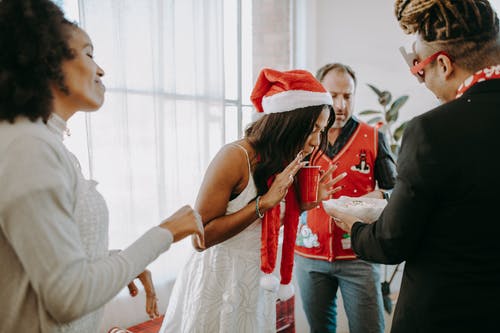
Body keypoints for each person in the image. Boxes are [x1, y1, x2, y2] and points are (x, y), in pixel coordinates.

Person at [0, 1, 204, 332]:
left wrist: (114, 262)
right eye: (88, 53)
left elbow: (41, 259)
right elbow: (69, 296)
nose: (101, 70)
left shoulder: (40, 141)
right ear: (46, 59)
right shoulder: (29, 147)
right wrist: (166, 233)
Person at [330, 1, 500, 332]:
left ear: (443, 64)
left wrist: (356, 225)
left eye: (418, 67)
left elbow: (391, 242)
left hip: (444, 314)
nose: (421, 79)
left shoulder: (432, 131)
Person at [159, 68, 346, 333]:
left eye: (321, 130)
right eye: (313, 129)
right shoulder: (234, 157)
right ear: (288, 122)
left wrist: (300, 206)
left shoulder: (283, 160)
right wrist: (263, 204)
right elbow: (200, 239)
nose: (317, 141)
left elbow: (260, 230)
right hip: (220, 281)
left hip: (257, 281)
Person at [294, 63, 397, 333]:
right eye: (333, 96)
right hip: (309, 255)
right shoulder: (300, 139)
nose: (340, 105)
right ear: (319, 94)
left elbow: (398, 190)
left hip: (359, 256)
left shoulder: (374, 138)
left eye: (347, 96)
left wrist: (382, 194)